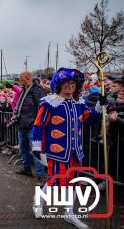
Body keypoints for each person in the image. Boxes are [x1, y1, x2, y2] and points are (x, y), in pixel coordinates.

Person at [31, 68, 104, 228]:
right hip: (56, 152)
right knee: (55, 181)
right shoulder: (49, 103)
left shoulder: (79, 103)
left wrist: (100, 106)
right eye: (66, 83)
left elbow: (89, 119)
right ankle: (39, 203)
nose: (70, 86)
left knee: (73, 182)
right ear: (59, 85)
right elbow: (38, 125)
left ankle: (69, 214)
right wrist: (36, 146)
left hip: (75, 151)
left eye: (72, 83)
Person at [13, 71, 46, 184]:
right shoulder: (25, 89)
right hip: (22, 124)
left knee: (36, 151)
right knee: (24, 149)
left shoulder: (37, 90)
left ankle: (41, 176)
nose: (20, 81)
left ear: (27, 78)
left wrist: (37, 123)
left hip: (33, 126)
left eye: (21, 79)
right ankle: (27, 169)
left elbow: (42, 108)